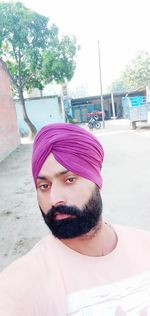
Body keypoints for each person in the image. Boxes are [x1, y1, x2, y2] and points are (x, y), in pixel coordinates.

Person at [0, 123, 150, 316]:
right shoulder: (20, 284)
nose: (54, 199)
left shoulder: (145, 245)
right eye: (44, 186)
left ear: (96, 181)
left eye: (69, 180)